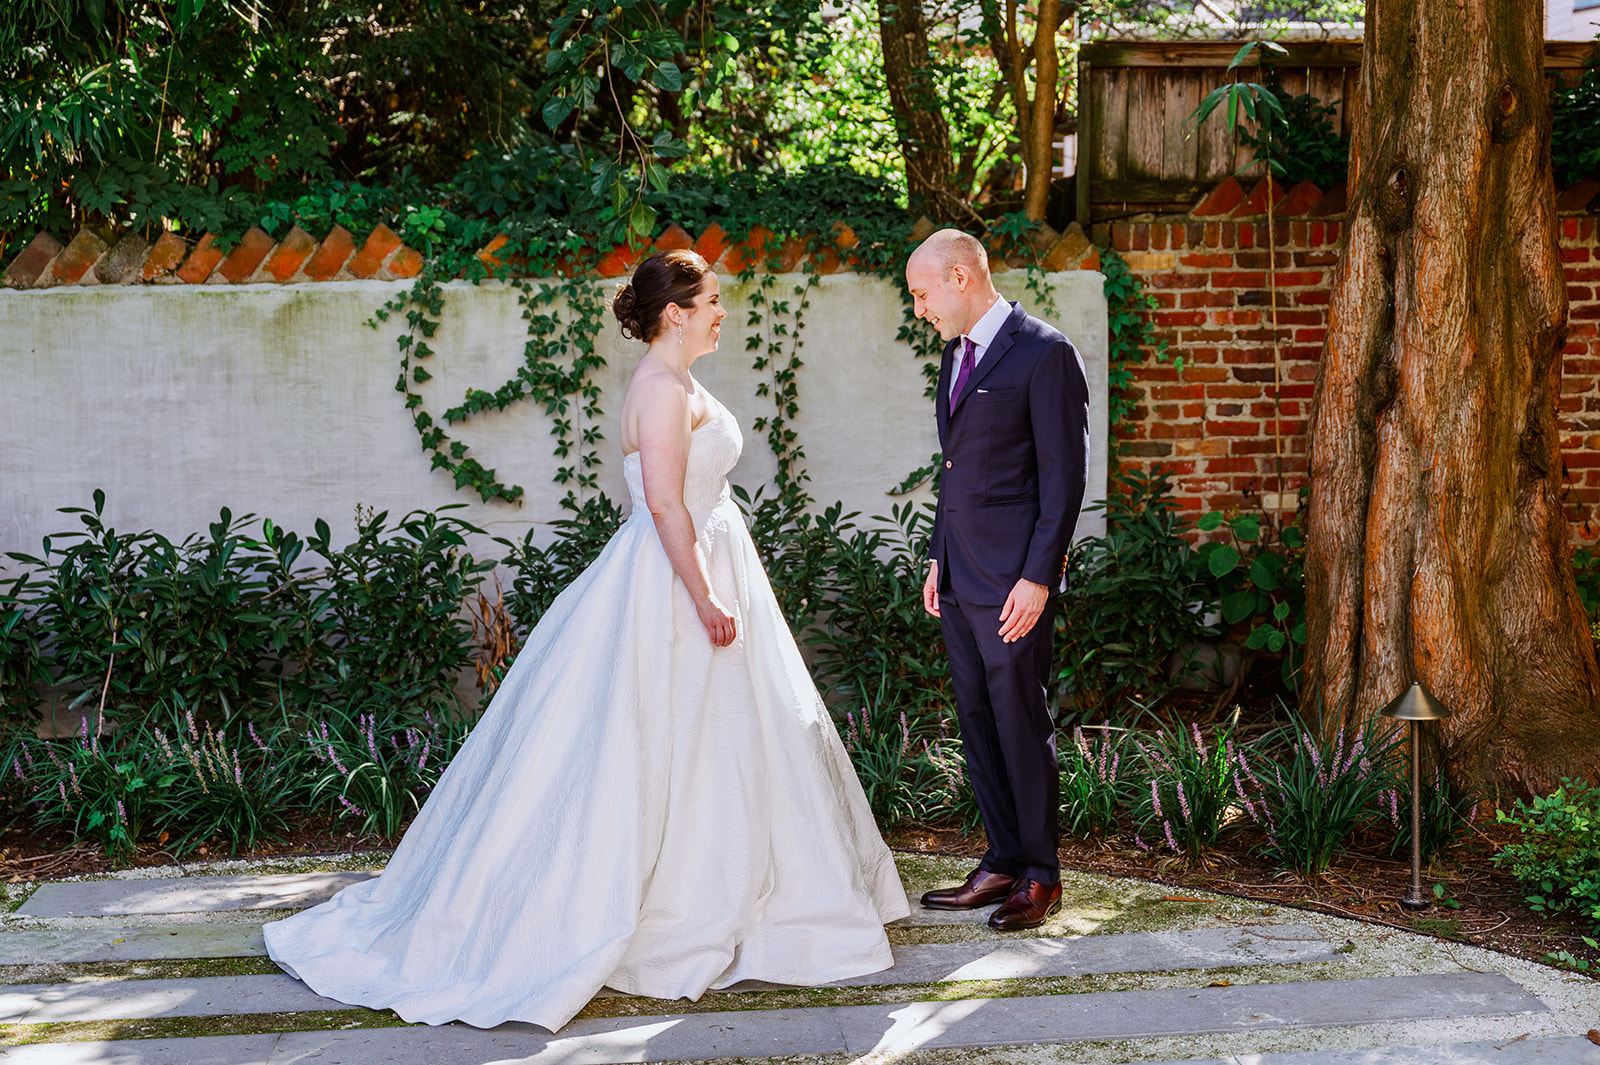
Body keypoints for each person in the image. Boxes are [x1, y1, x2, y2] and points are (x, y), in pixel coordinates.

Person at [263, 249, 909, 1032]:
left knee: (719, 739)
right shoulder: (662, 389)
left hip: (703, 562)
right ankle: (667, 902)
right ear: (676, 312)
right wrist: (704, 596)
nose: (721, 312)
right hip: (676, 580)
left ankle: (741, 880)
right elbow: (668, 507)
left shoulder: (675, 382)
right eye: (712, 300)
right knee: (653, 740)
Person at [910, 228, 1089, 931]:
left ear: (960, 277)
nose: (920, 309)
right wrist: (936, 556)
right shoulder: (957, 355)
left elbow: (1063, 479)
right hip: (958, 577)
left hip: (1015, 584)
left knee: (1021, 720)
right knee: (978, 721)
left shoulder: (1045, 353)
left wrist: (1038, 577)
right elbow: (956, 470)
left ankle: (1041, 875)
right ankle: (1002, 859)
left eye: (923, 294)